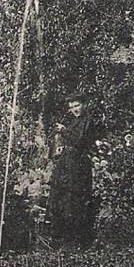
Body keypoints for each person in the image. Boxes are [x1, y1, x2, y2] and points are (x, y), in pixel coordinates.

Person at [47, 92, 98, 245]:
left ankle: (77, 241)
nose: (74, 109)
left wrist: (64, 131)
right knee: (61, 198)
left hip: (78, 166)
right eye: (71, 107)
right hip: (67, 165)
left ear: (84, 104)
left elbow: (79, 140)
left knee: (75, 200)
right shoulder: (75, 121)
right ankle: (61, 237)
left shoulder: (88, 121)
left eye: (77, 105)